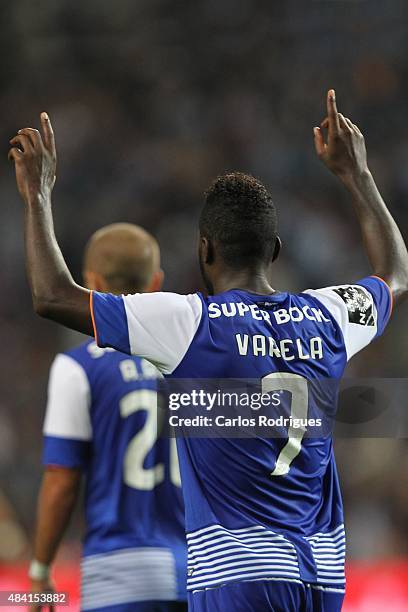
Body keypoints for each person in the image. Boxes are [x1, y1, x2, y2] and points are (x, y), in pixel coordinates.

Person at [9, 90, 408, 612]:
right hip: (324, 577)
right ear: (277, 251)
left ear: (204, 250)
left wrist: (37, 195)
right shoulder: (327, 315)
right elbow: (395, 275)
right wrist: (357, 175)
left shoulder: (187, 322)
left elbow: (52, 296)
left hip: (240, 580)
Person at [28, 224, 187, 612]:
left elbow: (62, 480)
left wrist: (41, 569)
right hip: (200, 571)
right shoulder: (193, 360)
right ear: (156, 283)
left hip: (118, 570)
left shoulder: (77, 367)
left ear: (90, 283)